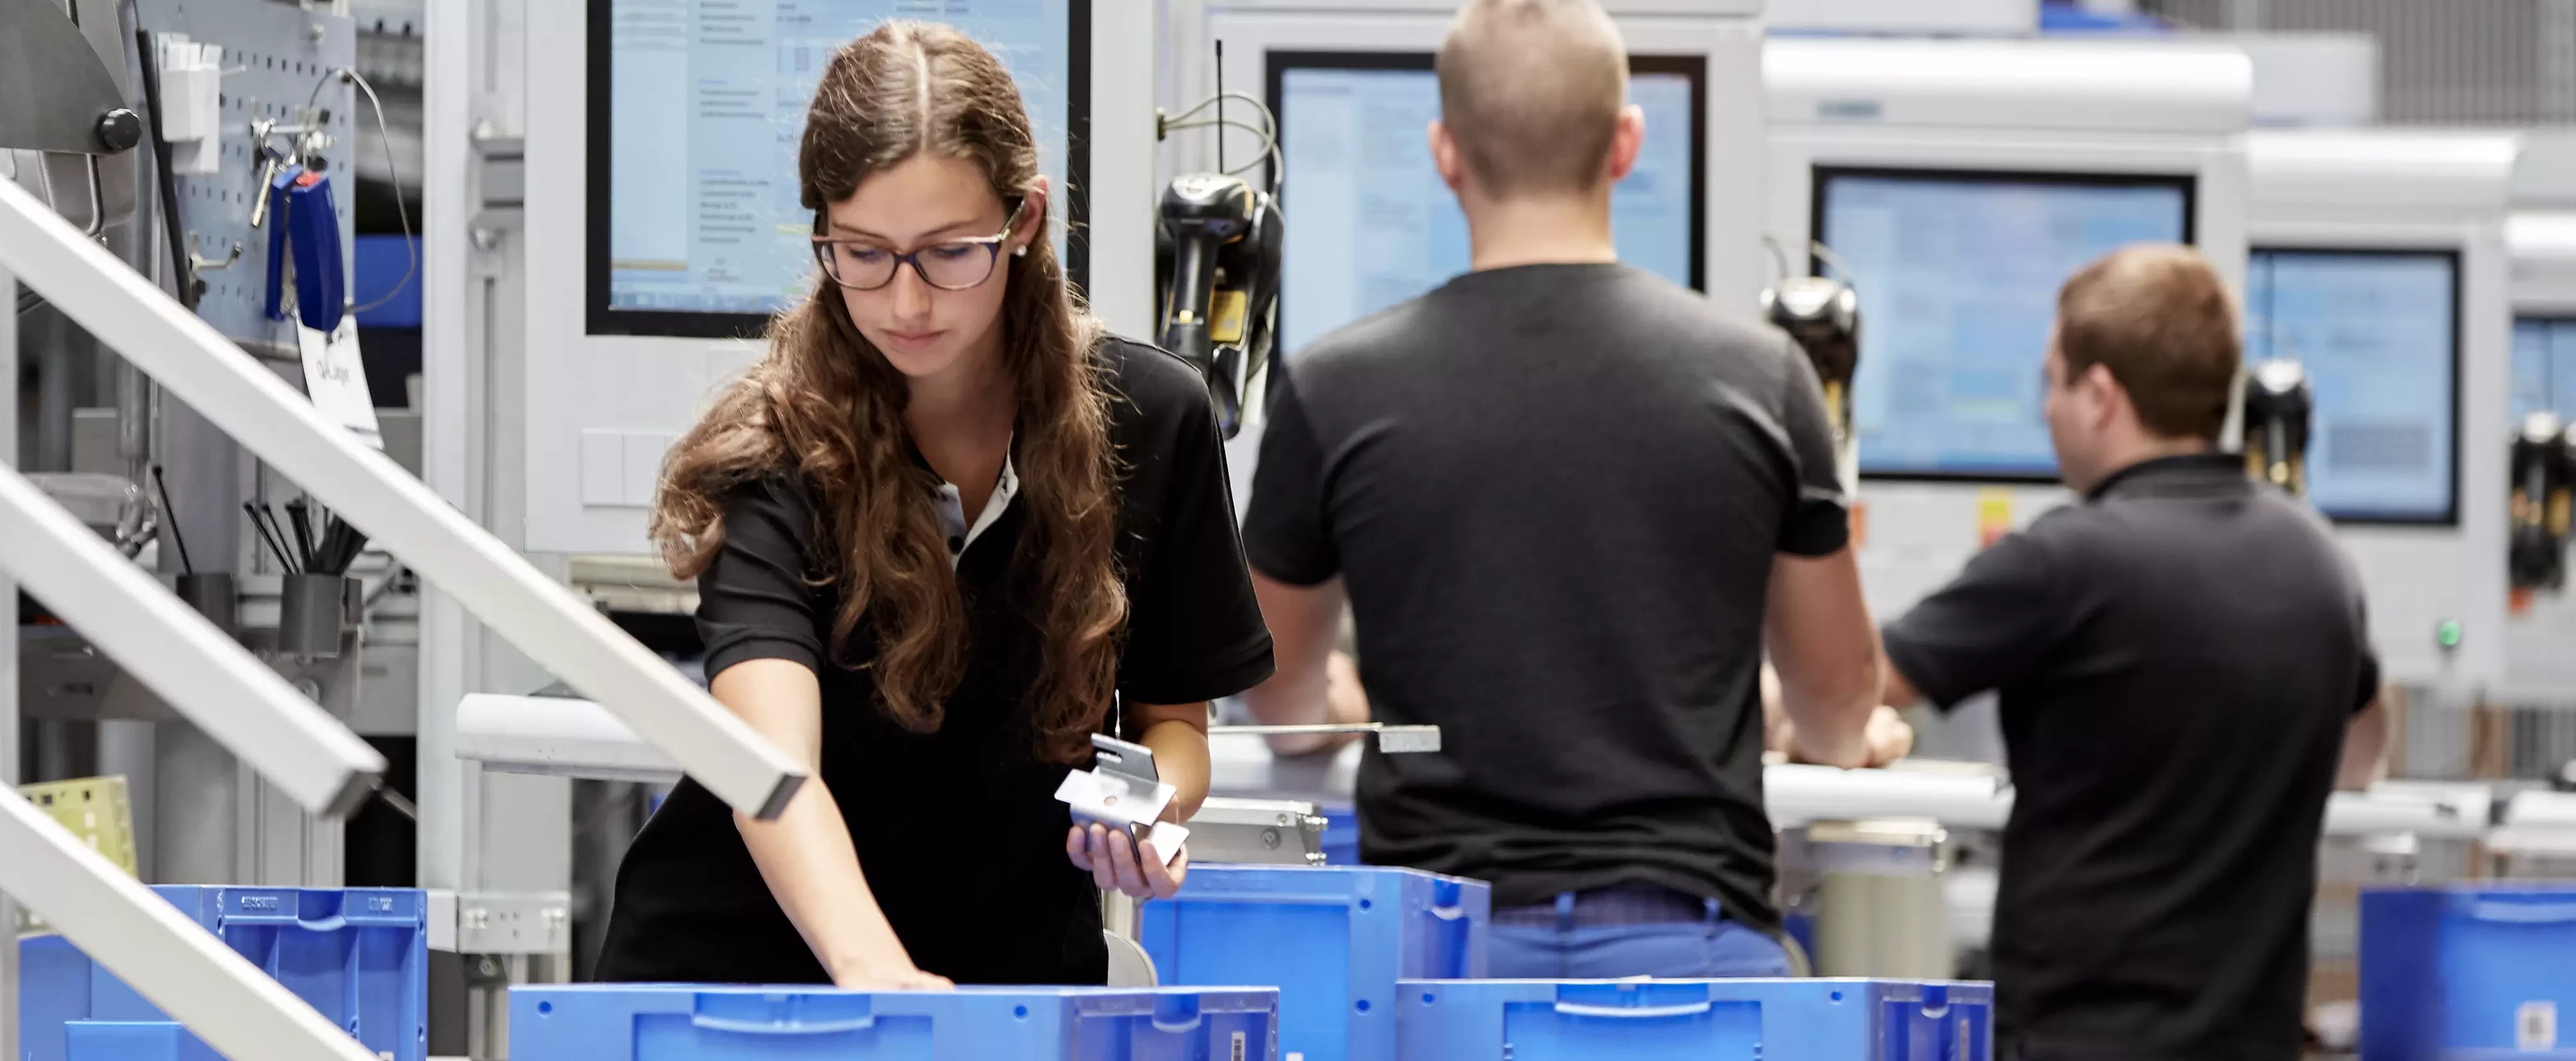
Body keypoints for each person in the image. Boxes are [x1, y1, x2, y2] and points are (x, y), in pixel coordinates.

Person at [591, 21, 1274, 990]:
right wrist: (880, 976)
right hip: (743, 985)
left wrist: (1144, 806)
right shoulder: (777, 450)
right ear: (820, 232)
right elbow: (771, 773)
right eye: (862, 252)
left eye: (950, 252)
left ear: (1025, 221)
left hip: (1013, 981)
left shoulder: (1150, 420)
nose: (906, 302)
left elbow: (1175, 724)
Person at [1236, 0, 1908, 981]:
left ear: (1444, 152)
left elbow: (1283, 703)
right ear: (1624, 143)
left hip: (1442, 966)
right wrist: (1777, 710)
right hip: (1696, 959)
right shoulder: (1762, 378)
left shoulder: (1336, 383)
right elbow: (1841, 709)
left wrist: (1339, 693)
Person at [1872, 245, 2385, 1061]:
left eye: (2053, 381)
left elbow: (1859, 684)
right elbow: (2360, 751)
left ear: (2102, 394)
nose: (2045, 409)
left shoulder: (2065, 561)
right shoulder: (2316, 558)